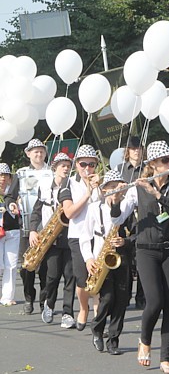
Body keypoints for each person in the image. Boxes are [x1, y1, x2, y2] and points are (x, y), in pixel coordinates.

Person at [111, 141, 169, 374]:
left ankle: (166, 358)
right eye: (165, 160)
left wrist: (157, 194)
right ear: (153, 164)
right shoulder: (137, 188)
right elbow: (117, 218)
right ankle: (144, 340)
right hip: (145, 250)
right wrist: (115, 201)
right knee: (154, 300)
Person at [80, 170, 131, 355]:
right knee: (108, 298)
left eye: (119, 186)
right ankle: (97, 328)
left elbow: (135, 230)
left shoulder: (128, 206)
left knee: (122, 300)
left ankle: (114, 340)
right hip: (102, 259)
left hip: (123, 257)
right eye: (112, 187)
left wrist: (126, 241)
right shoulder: (94, 208)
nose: (116, 190)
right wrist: (89, 259)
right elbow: (84, 236)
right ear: (104, 190)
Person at [58, 145, 102, 330]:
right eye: (83, 164)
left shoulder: (100, 183)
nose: (87, 168)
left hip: (97, 235)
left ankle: (99, 318)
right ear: (76, 164)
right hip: (77, 236)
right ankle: (83, 308)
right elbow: (69, 213)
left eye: (91, 165)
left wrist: (101, 188)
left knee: (99, 277)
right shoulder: (68, 184)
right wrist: (87, 194)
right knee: (82, 279)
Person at [28, 153, 74, 323]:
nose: (66, 168)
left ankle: (68, 313)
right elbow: (36, 210)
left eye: (68, 166)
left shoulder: (73, 186)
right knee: (52, 276)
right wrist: (33, 230)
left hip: (70, 237)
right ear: (55, 167)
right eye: (62, 165)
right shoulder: (45, 186)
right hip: (52, 238)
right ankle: (49, 304)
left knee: (70, 276)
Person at [13, 139, 52, 315]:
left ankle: (45, 302)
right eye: (35, 151)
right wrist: (11, 205)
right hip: (26, 228)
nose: (39, 154)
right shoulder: (20, 174)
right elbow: (9, 196)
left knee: (46, 269)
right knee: (27, 267)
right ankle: (29, 298)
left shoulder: (52, 172)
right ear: (28, 154)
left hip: (48, 229)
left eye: (41, 151)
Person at [117, 135, 145, 309]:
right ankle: (125, 295)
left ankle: (141, 297)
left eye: (139, 148)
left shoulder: (147, 169)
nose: (136, 152)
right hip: (124, 217)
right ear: (127, 152)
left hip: (141, 216)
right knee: (125, 259)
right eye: (133, 149)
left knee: (141, 259)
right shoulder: (120, 170)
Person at [0, 164, 21, 306]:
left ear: (10, 178)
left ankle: (7, 297)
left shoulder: (15, 193)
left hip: (13, 231)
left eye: (5, 175)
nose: (2, 178)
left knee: (12, 265)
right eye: (0, 175)